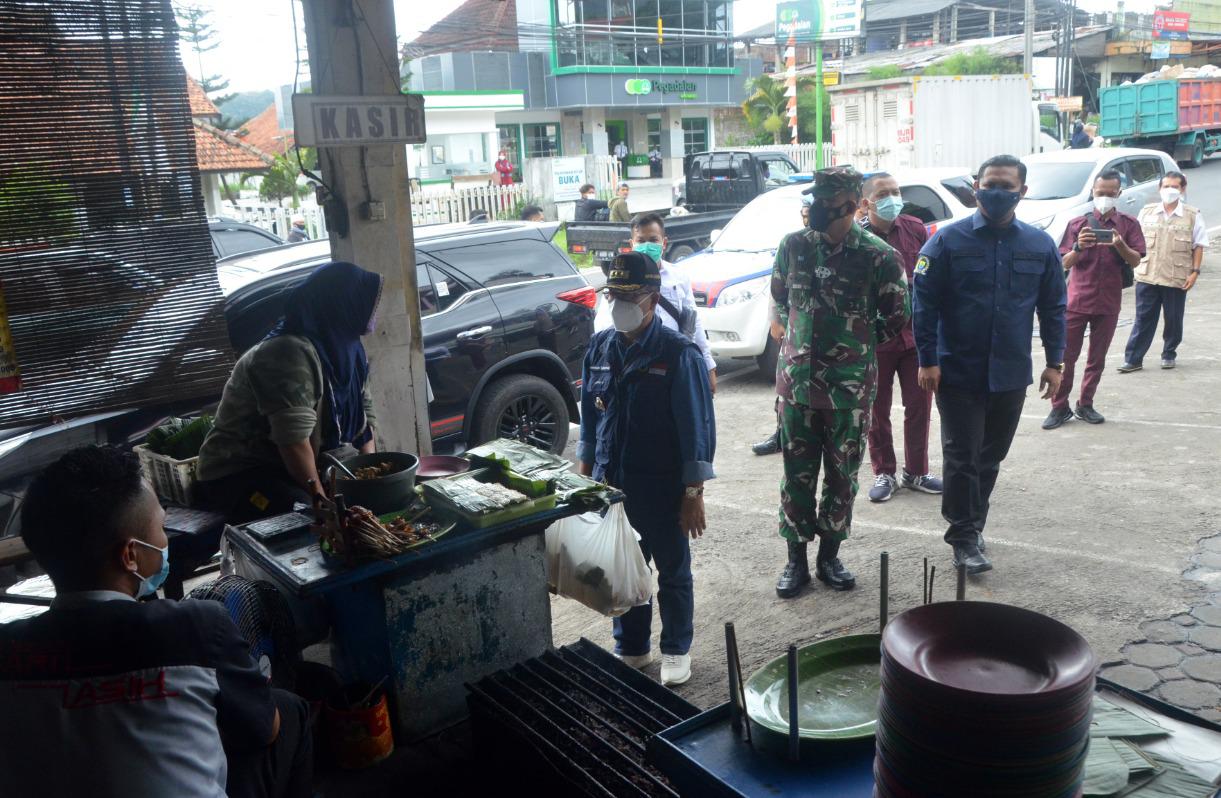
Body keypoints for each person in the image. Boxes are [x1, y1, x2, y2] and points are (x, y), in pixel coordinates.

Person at [0, 446, 312, 798]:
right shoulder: (195, 627)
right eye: (161, 528)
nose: (164, 542)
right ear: (130, 555)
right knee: (287, 709)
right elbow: (265, 730)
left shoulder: (7, 650)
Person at [913, 154, 1066, 576]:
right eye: (989, 184)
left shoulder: (1039, 245)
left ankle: (973, 527)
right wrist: (927, 359)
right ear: (975, 186)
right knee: (962, 456)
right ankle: (963, 537)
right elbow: (923, 305)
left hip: (1010, 372)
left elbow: (1054, 307)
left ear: (1022, 191)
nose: (997, 192)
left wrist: (1056, 362)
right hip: (956, 370)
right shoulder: (946, 241)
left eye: (1007, 186)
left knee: (991, 456)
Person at [577, 251, 715, 687]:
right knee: (626, 571)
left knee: (673, 572)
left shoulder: (678, 354)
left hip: (663, 488)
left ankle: (676, 648)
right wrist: (583, 478)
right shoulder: (600, 348)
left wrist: (693, 494)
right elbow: (590, 420)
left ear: (652, 299)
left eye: (629, 295)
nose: (619, 304)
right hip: (612, 486)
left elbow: (696, 429)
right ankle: (632, 646)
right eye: (613, 295)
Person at [772, 168, 910, 599]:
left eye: (826, 202)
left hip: (848, 392)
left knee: (841, 477)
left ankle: (829, 555)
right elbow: (779, 297)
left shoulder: (878, 256)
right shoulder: (793, 246)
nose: (814, 208)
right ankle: (795, 560)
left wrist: (855, 350)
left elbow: (897, 317)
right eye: (813, 200)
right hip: (796, 387)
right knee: (796, 475)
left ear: (851, 206)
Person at [196, 261, 381, 523]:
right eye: (368, 302)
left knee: (368, 504)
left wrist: (367, 480)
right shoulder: (287, 353)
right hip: (241, 474)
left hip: (297, 465)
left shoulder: (349, 349)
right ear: (342, 302)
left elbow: (366, 417)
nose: (373, 312)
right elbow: (293, 441)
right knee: (304, 516)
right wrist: (322, 501)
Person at [858, 173, 942, 502]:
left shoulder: (914, 227)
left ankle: (917, 471)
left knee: (919, 405)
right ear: (866, 202)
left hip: (915, 335)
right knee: (876, 411)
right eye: (884, 193)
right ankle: (884, 472)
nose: (893, 198)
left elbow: (928, 278)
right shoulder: (858, 239)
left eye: (896, 192)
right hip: (876, 338)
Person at [1043, 171, 1145, 429]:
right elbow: (1062, 264)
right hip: (1076, 301)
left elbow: (1136, 260)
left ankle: (1085, 404)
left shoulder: (1129, 225)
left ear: (1119, 194)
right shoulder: (1077, 224)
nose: (1105, 198)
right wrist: (1078, 247)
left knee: (1096, 359)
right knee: (1066, 357)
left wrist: (1120, 245)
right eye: (1100, 193)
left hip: (1109, 303)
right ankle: (1059, 407)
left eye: (1111, 194)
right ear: (1093, 192)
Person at [594, 213, 717, 392]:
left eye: (653, 239)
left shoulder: (678, 277)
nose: (646, 245)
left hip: (673, 364)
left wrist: (708, 365)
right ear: (631, 244)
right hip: (632, 365)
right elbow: (604, 327)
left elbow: (693, 320)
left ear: (664, 243)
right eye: (641, 240)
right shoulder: (621, 279)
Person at [1118, 171, 1208, 373]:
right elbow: (1135, 241)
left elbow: (1198, 245)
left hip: (1176, 276)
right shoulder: (1147, 212)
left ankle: (1169, 353)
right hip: (1148, 275)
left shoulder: (1192, 215)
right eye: (1166, 186)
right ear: (1159, 189)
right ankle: (1133, 359)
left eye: (1175, 187)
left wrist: (1195, 272)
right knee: (1143, 319)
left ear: (1182, 189)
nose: (1170, 190)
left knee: (1173, 319)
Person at [752, 196, 811, 457]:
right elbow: (778, 289)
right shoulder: (794, 243)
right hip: (792, 332)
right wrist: (776, 321)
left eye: (810, 214)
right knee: (784, 385)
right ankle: (781, 433)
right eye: (804, 215)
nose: (806, 220)